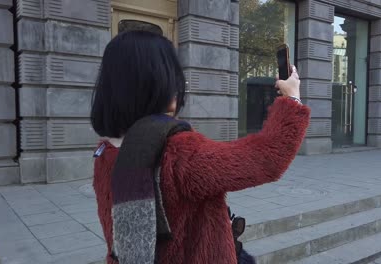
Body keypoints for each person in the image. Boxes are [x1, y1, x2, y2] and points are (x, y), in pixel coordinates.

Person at [91, 30, 310, 264]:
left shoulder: (104, 153)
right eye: (172, 75)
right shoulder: (177, 150)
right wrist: (292, 98)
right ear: (156, 83)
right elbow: (267, 158)